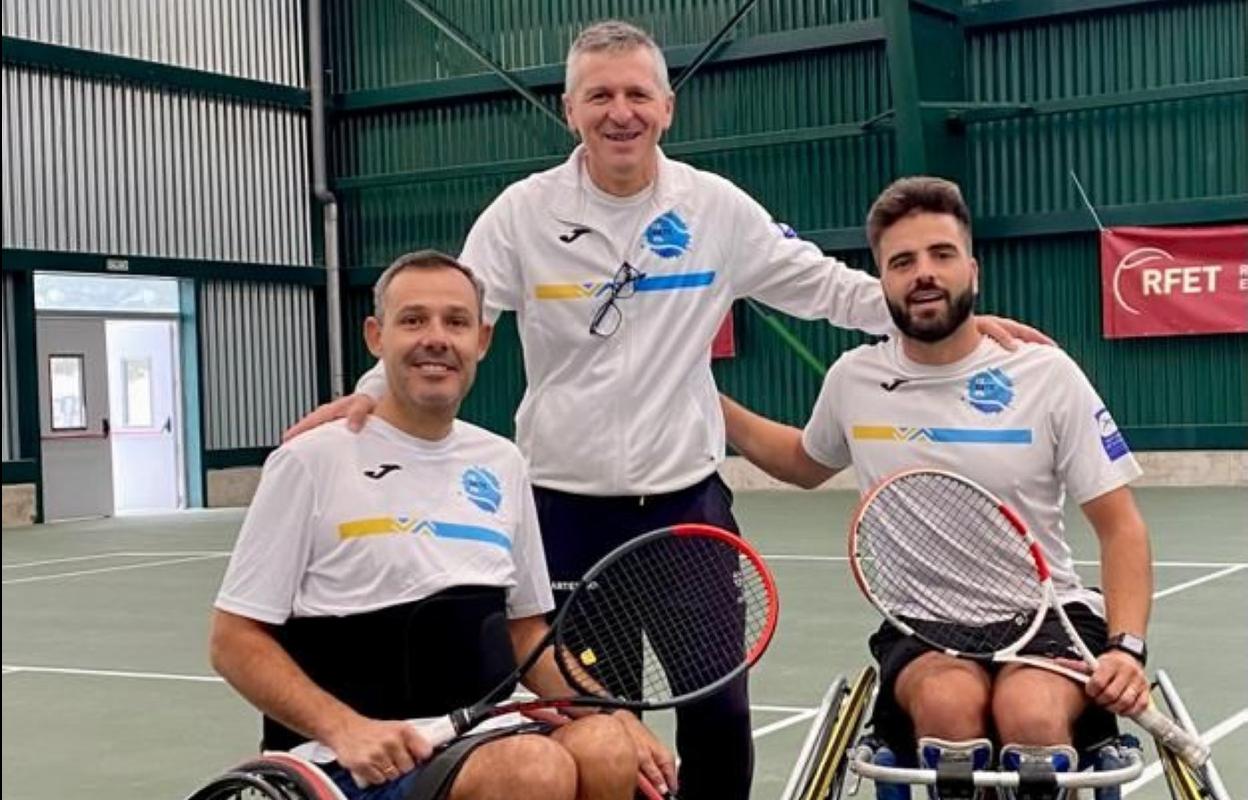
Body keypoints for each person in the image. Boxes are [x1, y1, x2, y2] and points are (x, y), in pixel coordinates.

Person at [285, 22, 1049, 799]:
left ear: (668, 107)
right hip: (562, 512)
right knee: (593, 722)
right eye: (600, 96)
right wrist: (368, 393)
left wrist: (939, 313)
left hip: (685, 506)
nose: (621, 112)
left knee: (718, 710)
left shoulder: (714, 208)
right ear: (569, 109)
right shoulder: (522, 214)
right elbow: (448, 312)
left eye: (637, 94)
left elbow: (823, 284)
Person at [720, 176, 1153, 768]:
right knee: (950, 706)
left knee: (1031, 716)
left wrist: (1127, 649)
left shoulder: (1046, 375)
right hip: (922, 626)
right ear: (883, 281)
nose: (923, 272)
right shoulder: (854, 380)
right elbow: (802, 462)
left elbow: (1120, 526)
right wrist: (707, 402)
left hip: (1046, 616)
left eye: (941, 255)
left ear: (972, 270)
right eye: (902, 262)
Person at [210, 250, 674, 800]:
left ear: (481, 340)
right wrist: (344, 727)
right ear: (375, 337)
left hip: (485, 735)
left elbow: (524, 632)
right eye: (413, 320)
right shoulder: (311, 461)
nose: (436, 338)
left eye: (455, 322)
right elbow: (234, 640)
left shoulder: (502, 461)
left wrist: (615, 716)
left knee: (605, 746)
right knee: (532, 769)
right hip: (351, 757)